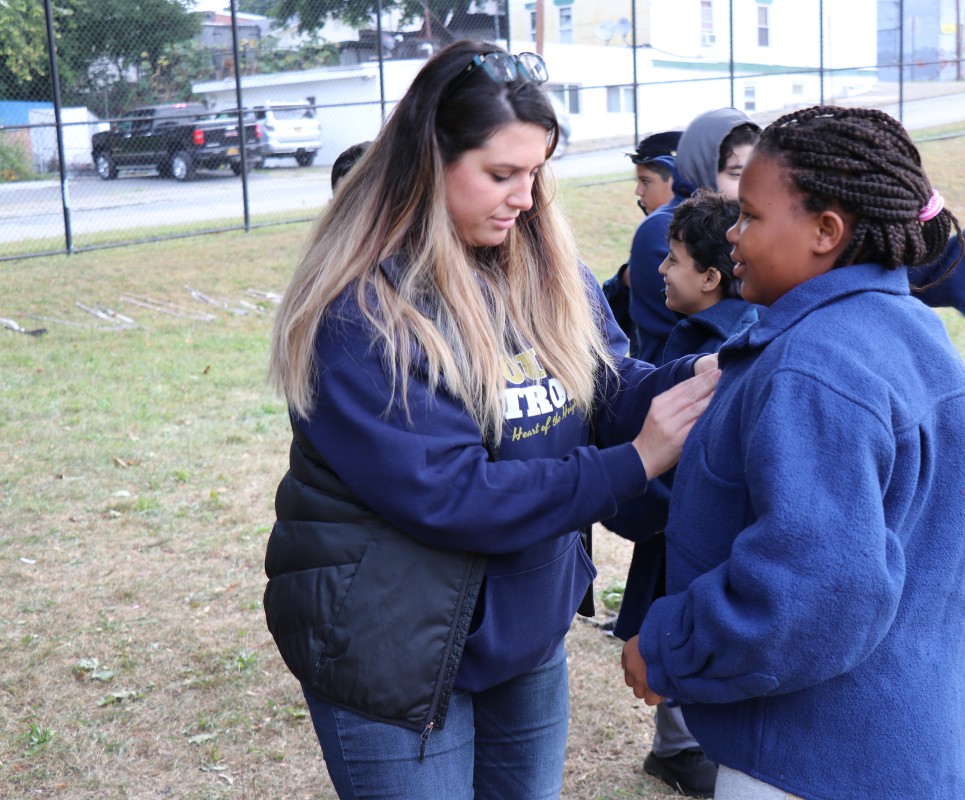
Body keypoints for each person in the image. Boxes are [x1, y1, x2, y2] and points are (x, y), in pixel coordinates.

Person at [262, 40, 719, 800]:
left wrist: (700, 379)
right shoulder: (360, 313)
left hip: (525, 631)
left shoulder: (544, 268)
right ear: (424, 162)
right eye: (501, 174)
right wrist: (634, 461)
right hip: (393, 646)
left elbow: (602, 387)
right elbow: (453, 495)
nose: (527, 198)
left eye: (536, 172)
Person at [622, 106, 965, 800]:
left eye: (751, 219)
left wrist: (668, 647)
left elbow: (810, 595)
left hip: (806, 764)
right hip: (903, 743)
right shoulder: (910, 328)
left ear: (827, 231)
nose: (732, 234)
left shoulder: (814, 369)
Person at [605, 190, 757, 797]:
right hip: (688, 524)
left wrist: (635, 506)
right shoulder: (744, 325)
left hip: (685, 527)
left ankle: (682, 744)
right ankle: (678, 745)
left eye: (672, 260)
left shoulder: (700, 342)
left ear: (712, 276)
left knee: (684, 615)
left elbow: (677, 456)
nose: (661, 270)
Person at [625, 109, 760, 364]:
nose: (751, 185)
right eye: (736, 174)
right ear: (702, 167)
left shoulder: (748, 221)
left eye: (755, 172)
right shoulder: (673, 227)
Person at [603, 129, 683, 341]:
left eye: (646, 181)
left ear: (677, 178)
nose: (638, 191)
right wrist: (623, 282)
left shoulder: (657, 228)